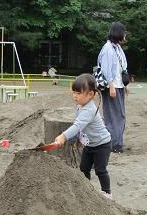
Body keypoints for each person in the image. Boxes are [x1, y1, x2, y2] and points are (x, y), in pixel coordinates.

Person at [55, 74, 112, 199]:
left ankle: (107, 193)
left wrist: (64, 136)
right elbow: (81, 126)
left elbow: (77, 125)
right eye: (74, 92)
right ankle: (86, 190)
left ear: (90, 94)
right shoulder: (80, 106)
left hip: (102, 144)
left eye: (79, 93)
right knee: (83, 168)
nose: (75, 96)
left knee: (100, 170)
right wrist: (77, 139)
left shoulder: (89, 110)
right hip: (89, 144)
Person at [97, 22, 128, 153]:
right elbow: (105, 69)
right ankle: (114, 144)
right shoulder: (108, 48)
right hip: (112, 86)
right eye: (124, 33)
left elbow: (120, 68)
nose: (125, 36)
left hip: (118, 85)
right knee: (114, 115)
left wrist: (124, 85)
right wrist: (111, 86)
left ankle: (115, 142)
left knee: (118, 114)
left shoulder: (117, 48)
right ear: (118, 33)